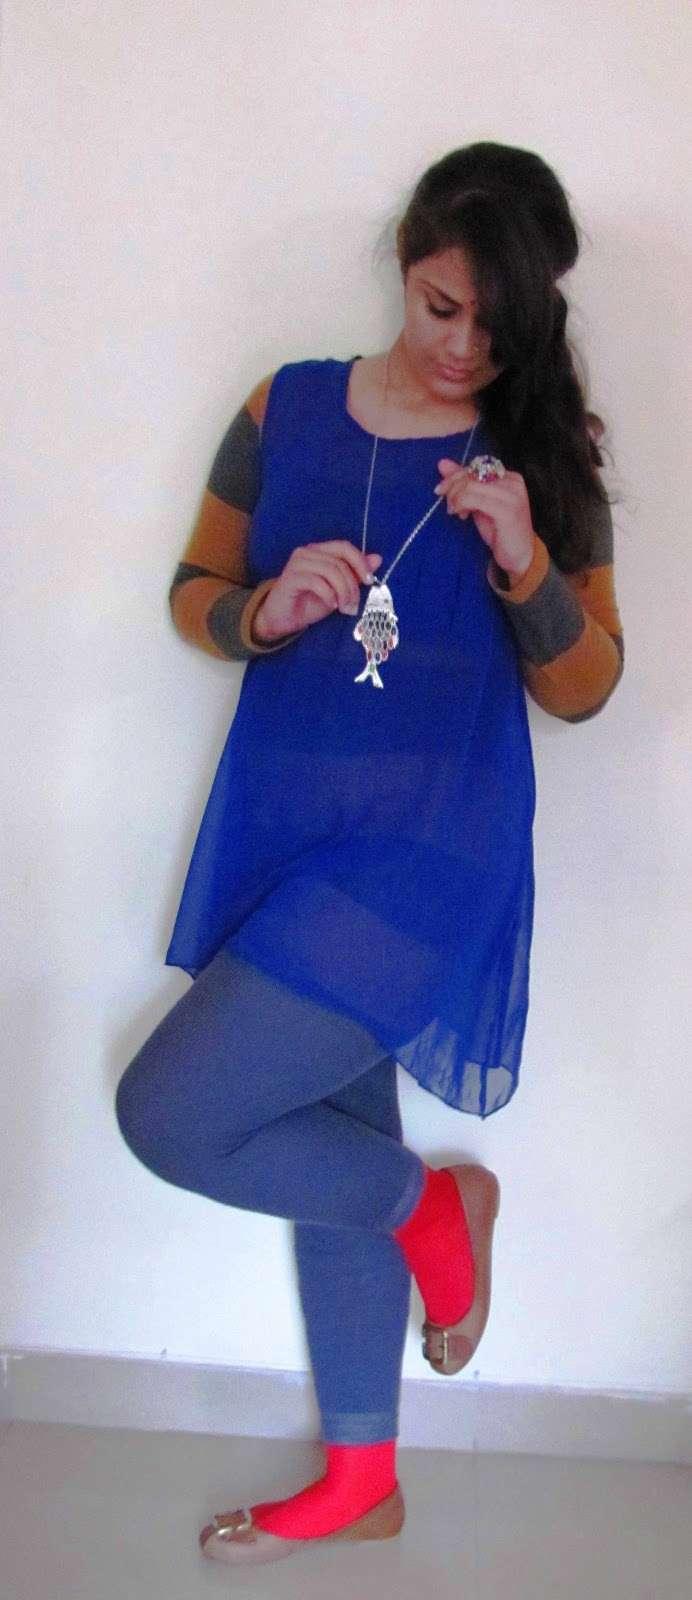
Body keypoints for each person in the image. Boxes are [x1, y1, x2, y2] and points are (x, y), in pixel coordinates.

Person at [115, 142, 623, 1566]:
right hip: (285, 829)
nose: (463, 348)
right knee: (328, 1135)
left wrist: (525, 561)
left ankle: (434, 1211)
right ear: (405, 264)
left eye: (497, 325)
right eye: (442, 307)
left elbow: (588, 689)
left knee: (169, 1113)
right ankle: (362, 1480)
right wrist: (265, 610)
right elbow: (194, 592)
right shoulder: (282, 407)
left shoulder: (544, 453)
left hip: (424, 858)